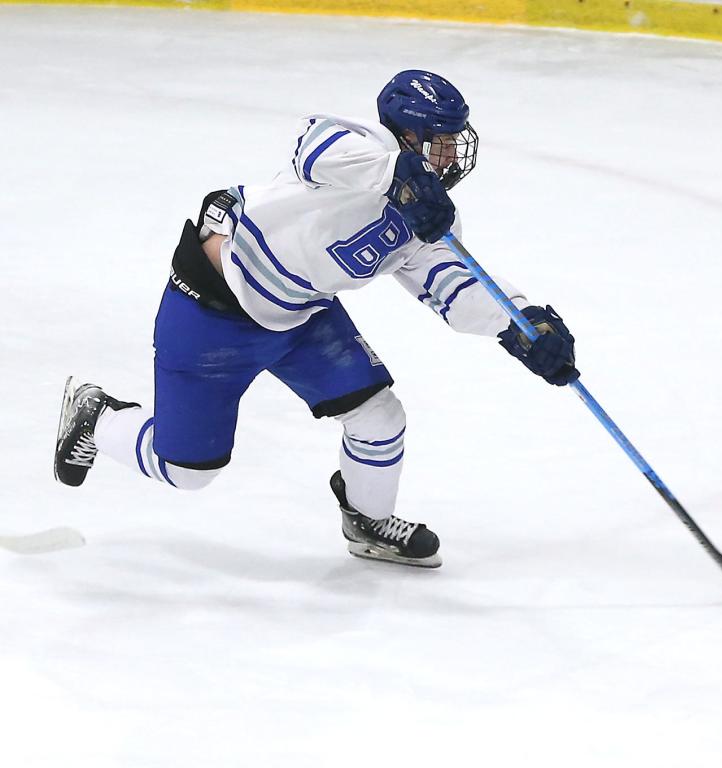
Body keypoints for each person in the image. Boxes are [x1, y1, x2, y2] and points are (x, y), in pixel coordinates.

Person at [54, 70, 579, 568]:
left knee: (380, 416)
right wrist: (397, 174)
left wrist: (522, 323)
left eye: (456, 137)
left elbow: (453, 285)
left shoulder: (430, 216)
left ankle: (368, 523)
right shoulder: (359, 147)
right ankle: (98, 416)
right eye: (439, 137)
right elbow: (315, 146)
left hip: (303, 316)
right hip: (211, 316)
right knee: (187, 472)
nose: (450, 152)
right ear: (408, 133)